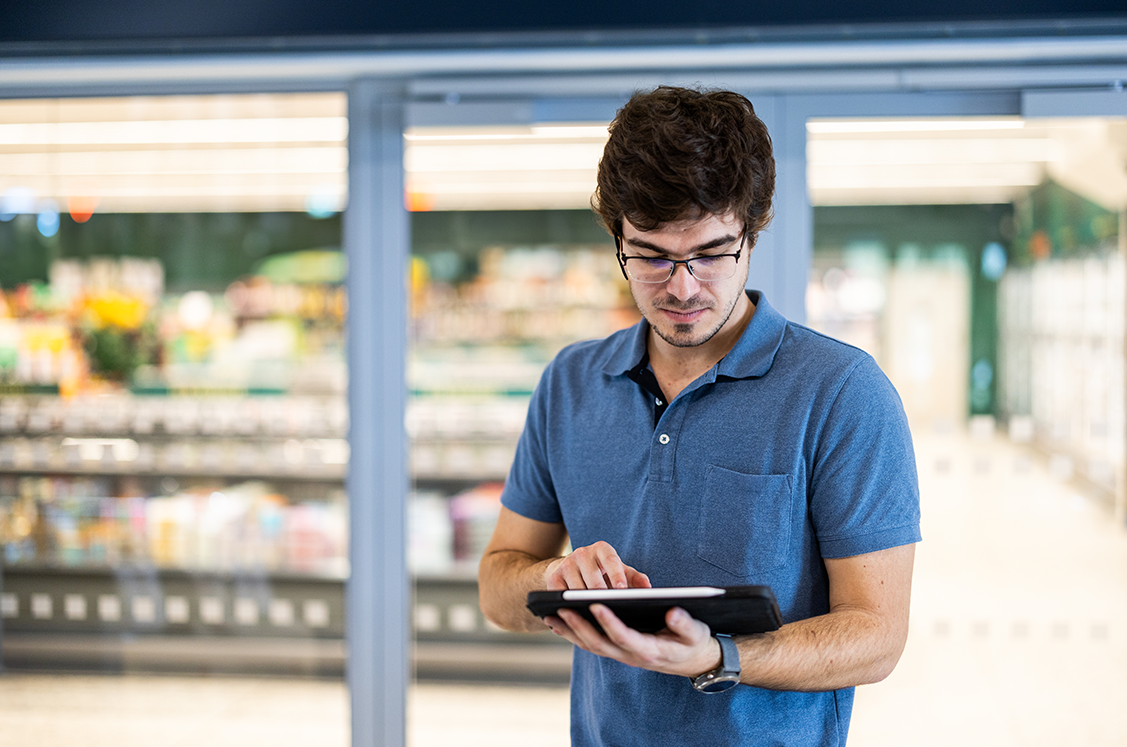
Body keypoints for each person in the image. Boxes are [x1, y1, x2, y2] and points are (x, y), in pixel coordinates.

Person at [477, 85, 921, 747]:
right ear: (616, 240)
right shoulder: (569, 383)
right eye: (651, 255)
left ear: (753, 226)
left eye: (711, 252)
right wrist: (549, 579)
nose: (681, 286)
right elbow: (496, 588)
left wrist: (720, 656)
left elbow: (875, 635)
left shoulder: (841, 392)